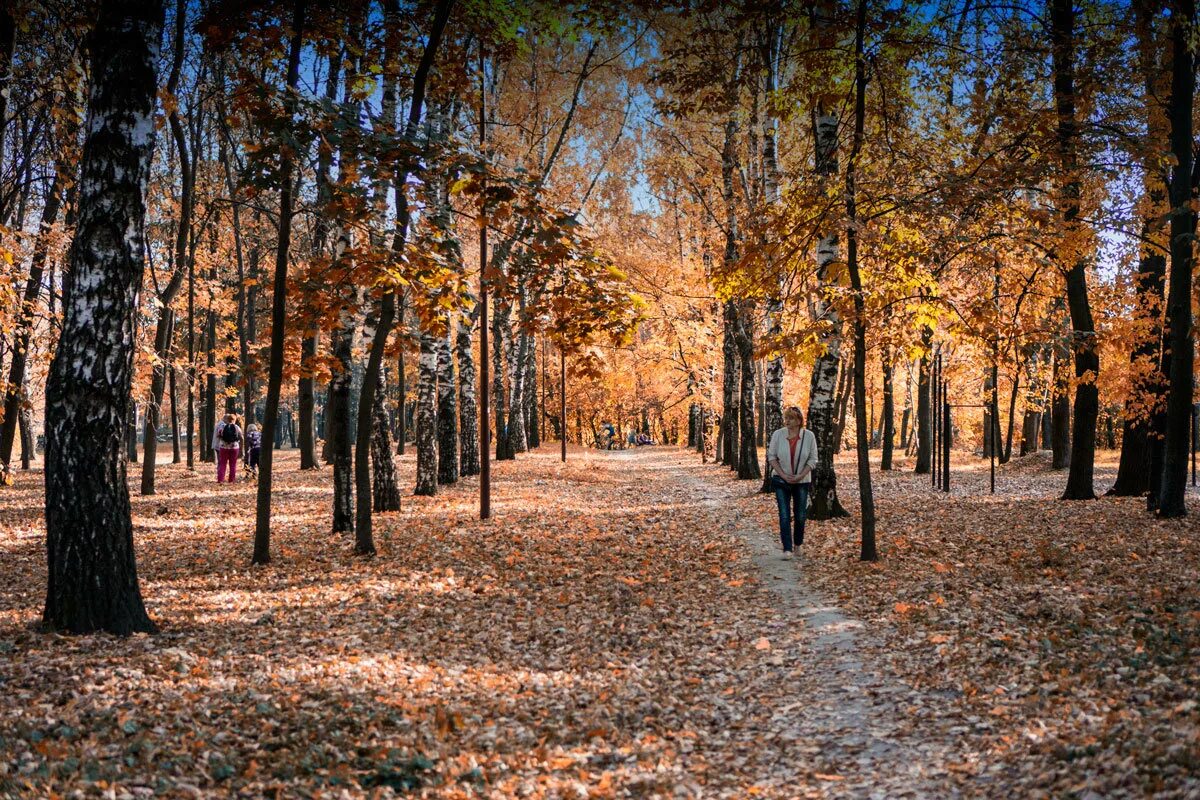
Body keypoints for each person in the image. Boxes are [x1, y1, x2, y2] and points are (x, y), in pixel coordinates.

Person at [767, 406, 818, 560]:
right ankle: (787, 548)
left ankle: (798, 544)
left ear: (799, 421)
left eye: (791, 418)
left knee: (801, 515)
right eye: (786, 418)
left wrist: (800, 475)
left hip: (801, 481)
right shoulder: (778, 435)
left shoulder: (809, 436)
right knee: (784, 514)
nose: (787, 421)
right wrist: (783, 474)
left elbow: (813, 459)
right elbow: (772, 457)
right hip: (781, 480)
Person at [213, 413, 242, 484]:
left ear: (227, 419)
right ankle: (231, 480)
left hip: (223, 447)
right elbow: (241, 437)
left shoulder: (222, 427)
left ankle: (220, 480)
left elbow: (218, 435)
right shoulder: (237, 427)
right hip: (234, 448)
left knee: (222, 464)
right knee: (233, 464)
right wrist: (241, 448)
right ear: (234, 420)